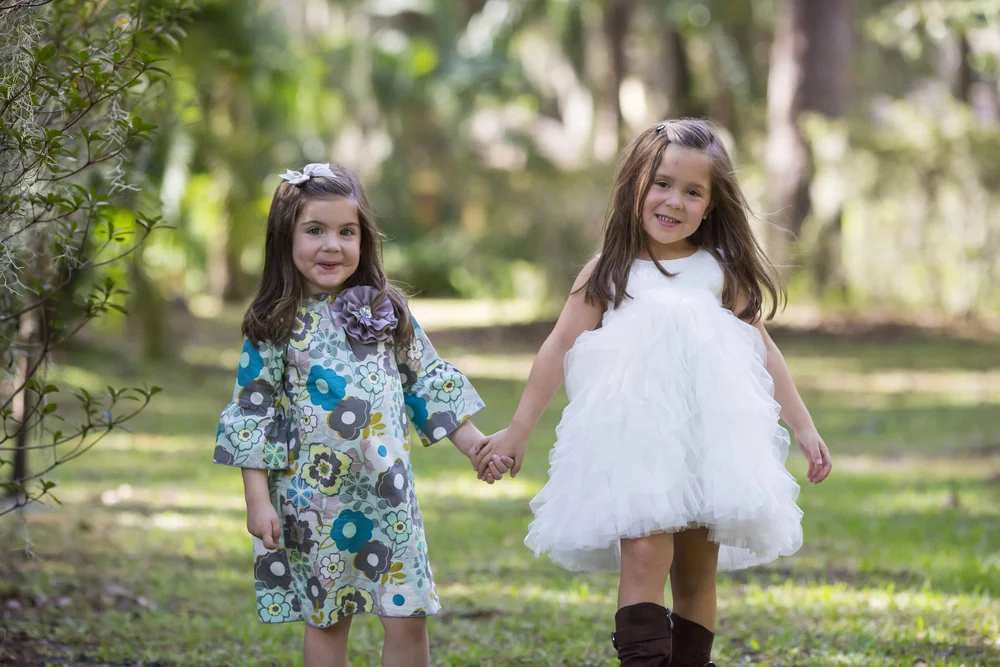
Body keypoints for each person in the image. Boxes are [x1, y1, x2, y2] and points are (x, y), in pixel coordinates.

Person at [475, 120, 833, 666]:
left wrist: (804, 428)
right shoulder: (609, 272)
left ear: (712, 205)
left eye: (694, 192)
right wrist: (519, 429)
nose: (674, 201)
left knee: (695, 572)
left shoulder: (718, 272)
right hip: (636, 445)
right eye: (663, 183)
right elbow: (557, 349)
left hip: (707, 446)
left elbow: (764, 353)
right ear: (635, 185)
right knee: (644, 555)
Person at [213, 162, 512, 667]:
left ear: (364, 240)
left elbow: (427, 381)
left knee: (407, 615)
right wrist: (256, 501)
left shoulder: (386, 310)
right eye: (315, 231)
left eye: (346, 232)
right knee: (327, 619)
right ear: (284, 239)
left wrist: (476, 446)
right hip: (312, 502)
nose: (332, 245)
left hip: (388, 496)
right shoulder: (273, 323)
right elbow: (253, 412)